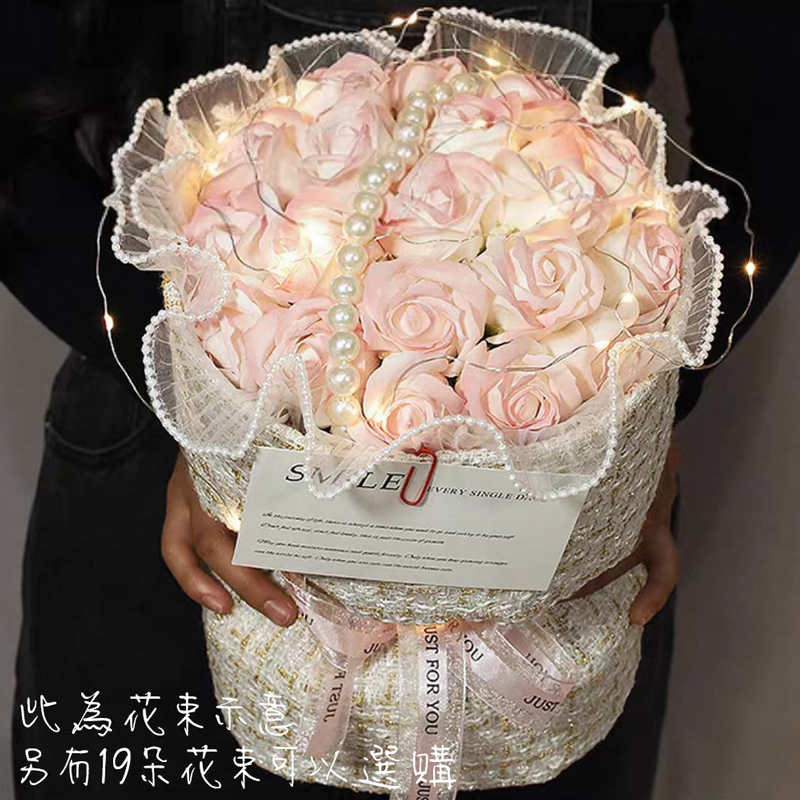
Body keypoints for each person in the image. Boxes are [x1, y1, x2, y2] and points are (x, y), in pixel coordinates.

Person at [2, 1, 796, 797]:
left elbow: (777, 116)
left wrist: (639, 415)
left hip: (566, 487)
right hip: (170, 456)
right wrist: (204, 409)